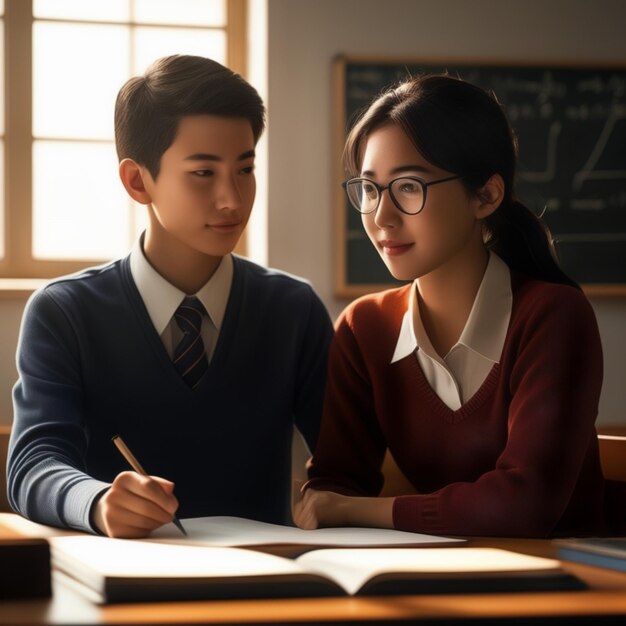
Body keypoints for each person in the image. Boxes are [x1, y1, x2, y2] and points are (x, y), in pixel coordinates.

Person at [8, 55, 333, 538]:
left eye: (245, 169)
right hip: (121, 585)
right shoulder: (64, 312)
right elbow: (33, 465)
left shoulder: (294, 309)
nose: (233, 199)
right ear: (138, 181)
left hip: (266, 583)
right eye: (204, 173)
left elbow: (346, 459)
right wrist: (96, 502)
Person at [295, 74, 605, 538]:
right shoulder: (365, 327)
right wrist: (331, 506)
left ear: (486, 195)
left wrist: (353, 510)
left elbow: (525, 504)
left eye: (408, 187)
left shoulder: (553, 316)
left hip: (575, 584)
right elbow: (332, 488)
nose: (381, 216)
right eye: (369, 188)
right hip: (446, 575)